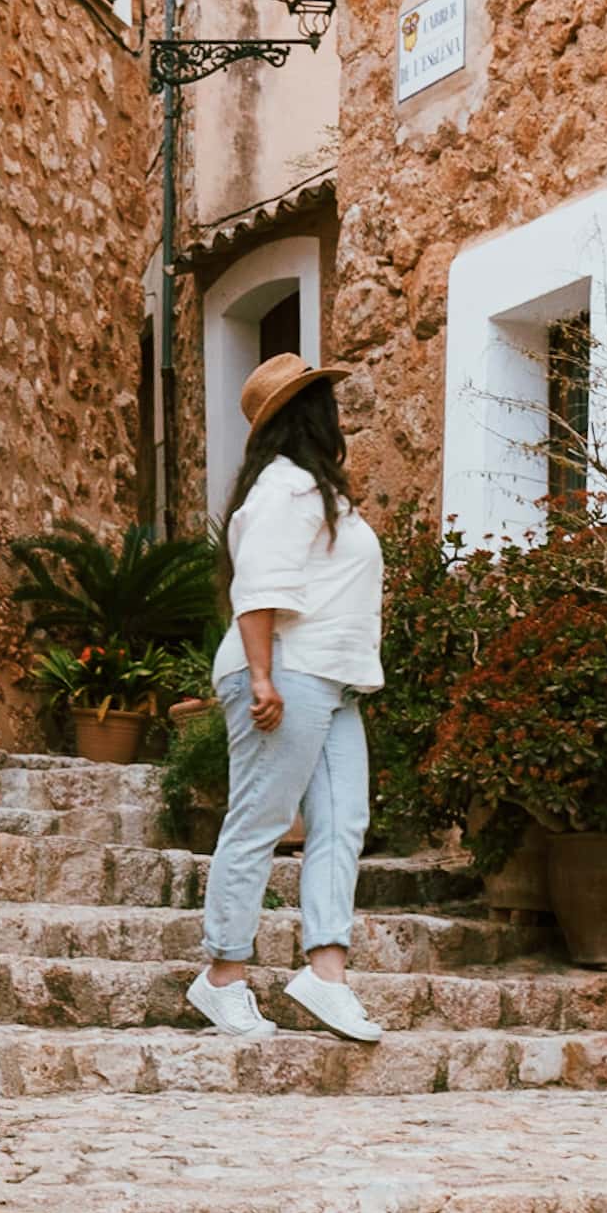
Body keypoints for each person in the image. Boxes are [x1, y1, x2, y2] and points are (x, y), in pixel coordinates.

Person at [187, 352, 385, 1043]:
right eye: (327, 407)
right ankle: (222, 976)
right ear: (308, 418)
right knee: (261, 821)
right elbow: (259, 586)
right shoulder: (283, 489)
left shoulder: (317, 492)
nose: (339, 419)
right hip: (287, 673)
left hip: (333, 680)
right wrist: (263, 678)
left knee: (343, 822)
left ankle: (324, 976)